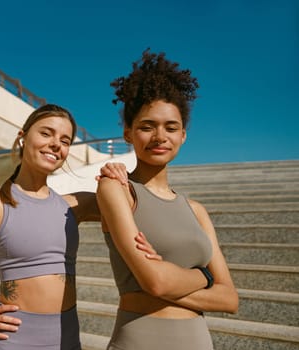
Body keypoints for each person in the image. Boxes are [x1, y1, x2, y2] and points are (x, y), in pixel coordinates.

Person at [0, 104, 157, 350]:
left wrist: (119, 175)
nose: (55, 144)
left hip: (67, 340)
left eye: (65, 140)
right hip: (10, 341)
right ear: (23, 137)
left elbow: (138, 207)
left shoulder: (76, 204)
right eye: (46, 133)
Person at [96, 49, 239, 349]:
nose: (160, 136)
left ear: (183, 135)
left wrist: (175, 278)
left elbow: (230, 299)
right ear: (128, 133)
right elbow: (156, 282)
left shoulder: (196, 210)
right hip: (139, 339)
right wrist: (205, 276)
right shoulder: (117, 189)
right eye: (147, 126)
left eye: (171, 127)